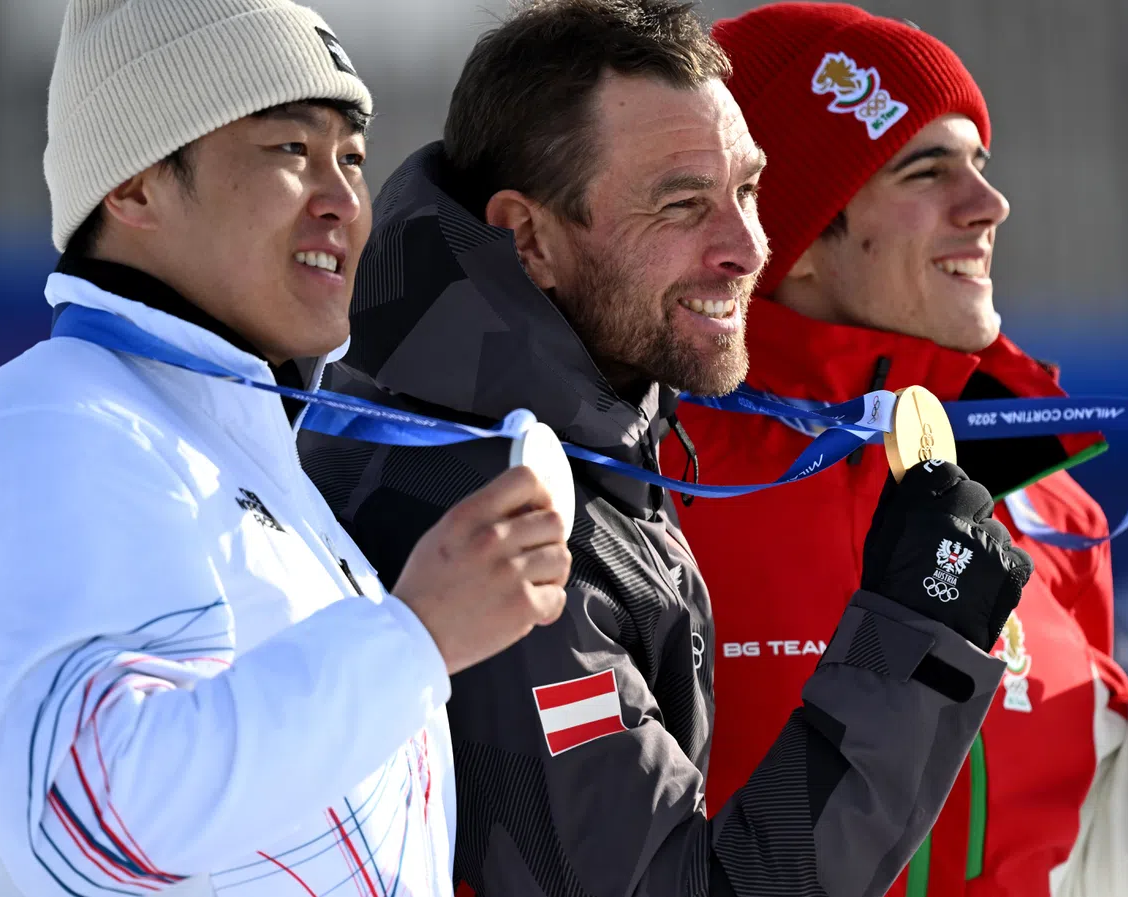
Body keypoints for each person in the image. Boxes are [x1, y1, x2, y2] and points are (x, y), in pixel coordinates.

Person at [298, 0, 1036, 894]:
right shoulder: (493, 513)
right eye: (682, 204)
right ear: (529, 238)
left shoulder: (562, 429)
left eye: (749, 190)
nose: (746, 247)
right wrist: (919, 634)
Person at [663, 5, 1128, 897]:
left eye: (979, 165)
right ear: (792, 240)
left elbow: (1098, 870)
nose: (989, 205)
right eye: (927, 168)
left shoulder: (1040, 504)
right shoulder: (652, 481)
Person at [0, 2, 572, 895]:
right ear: (133, 185)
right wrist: (415, 634)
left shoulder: (236, 450)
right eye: (290, 151)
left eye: (353, 159)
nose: (343, 201)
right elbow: (91, 818)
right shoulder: (48, 431)